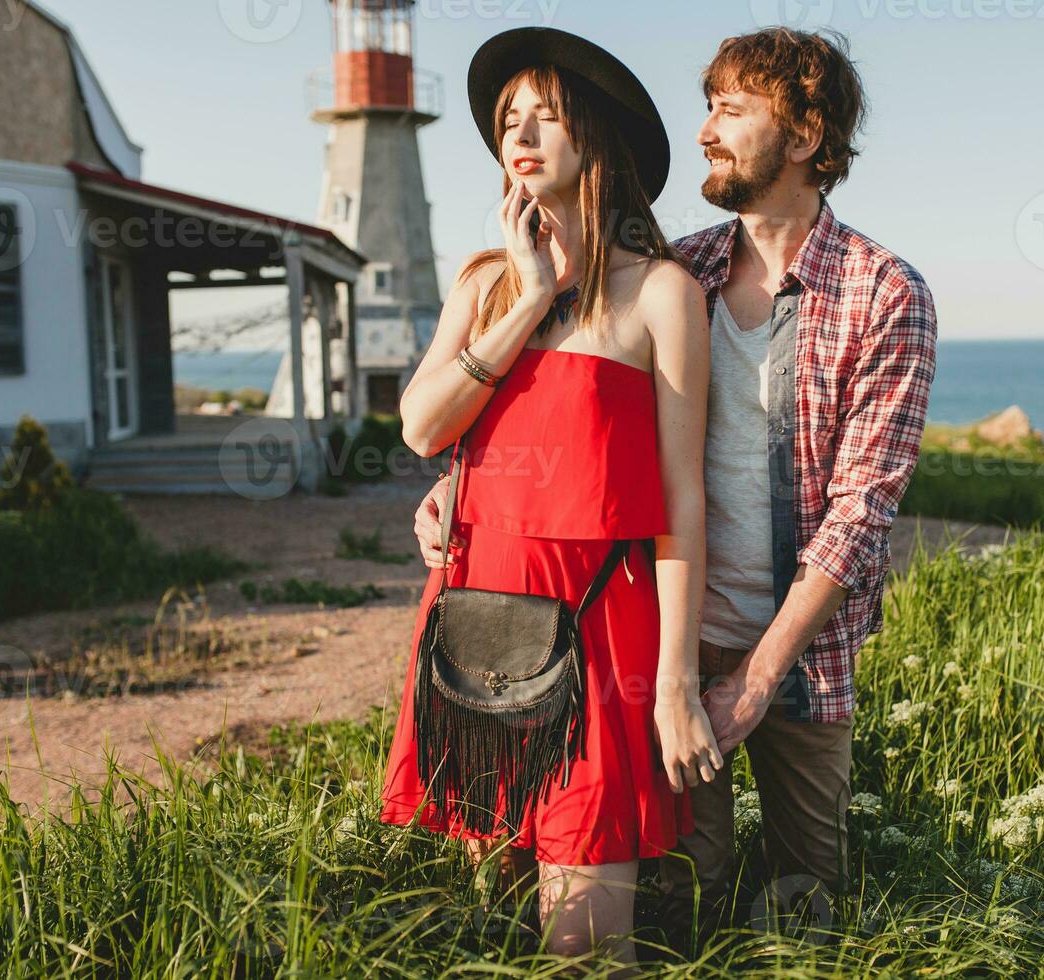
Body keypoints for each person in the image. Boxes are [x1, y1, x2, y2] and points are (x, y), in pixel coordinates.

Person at [412, 26, 939, 953]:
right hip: (658, 634)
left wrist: (753, 679)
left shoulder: (882, 291)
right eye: (707, 107)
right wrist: (463, 484)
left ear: (807, 136)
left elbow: (862, 513)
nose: (705, 130)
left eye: (730, 110)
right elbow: (561, 419)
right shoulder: (683, 265)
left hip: (795, 658)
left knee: (802, 908)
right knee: (681, 900)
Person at [378, 26, 723, 969]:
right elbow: (420, 427)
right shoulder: (486, 284)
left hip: (599, 629)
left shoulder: (661, 294)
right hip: (476, 619)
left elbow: (681, 501)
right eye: (506, 120)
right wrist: (530, 296)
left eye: (547, 116)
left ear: (596, 138)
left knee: (582, 940)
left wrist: (677, 683)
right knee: (487, 918)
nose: (519, 136)